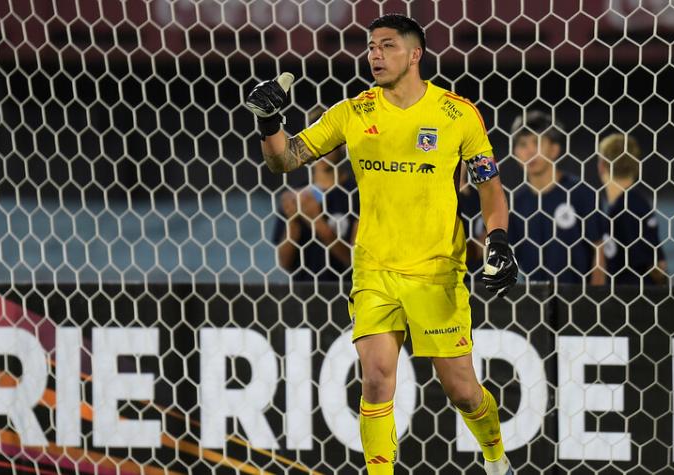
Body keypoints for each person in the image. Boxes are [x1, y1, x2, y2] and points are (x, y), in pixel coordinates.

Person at [245, 13, 518, 475]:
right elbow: (284, 160)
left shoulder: (456, 113)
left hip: (436, 272)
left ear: (415, 55)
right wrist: (270, 121)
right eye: (371, 46)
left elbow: (490, 187)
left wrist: (499, 240)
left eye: (387, 45)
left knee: (464, 391)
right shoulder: (353, 112)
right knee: (375, 379)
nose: (375, 54)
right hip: (374, 270)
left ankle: (495, 459)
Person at [507, 110, 605, 285]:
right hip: (534, 302)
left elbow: (599, 249)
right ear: (514, 153)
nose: (529, 151)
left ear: (554, 149)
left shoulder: (581, 193)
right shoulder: (516, 203)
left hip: (579, 299)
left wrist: (594, 301)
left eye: (537, 142)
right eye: (522, 144)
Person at [273, 106, 358, 282]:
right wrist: (293, 221)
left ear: (342, 144)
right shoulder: (296, 196)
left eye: (328, 141)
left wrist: (316, 221)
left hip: (345, 295)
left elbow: (355, 263)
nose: (322, 149)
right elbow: (284, 263)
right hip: (303, 296)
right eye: (316, 141)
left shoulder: (358, 193)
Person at [597, 133, 667, 285]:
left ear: (601, 165)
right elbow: (659, 264)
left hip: (631, 302)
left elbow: (654, 266)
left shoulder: (626, 208)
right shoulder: (635, 202)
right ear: (636, 166)